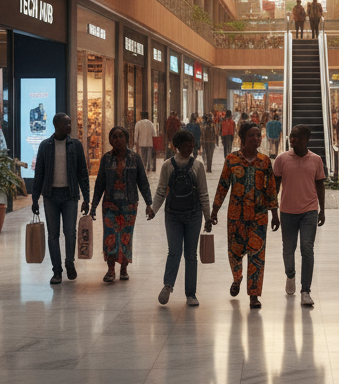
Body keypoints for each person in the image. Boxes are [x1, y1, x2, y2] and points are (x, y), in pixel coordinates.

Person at [212, 121, 279, 308]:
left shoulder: (265, 161)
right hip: (236, 215)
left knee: (257, 255)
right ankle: (237, 277)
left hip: (259, 216)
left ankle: (254, 295)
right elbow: (223, 186)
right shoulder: (232, 160)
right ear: (243, 138)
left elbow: (271, 189)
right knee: (235, 252)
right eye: (252, 135)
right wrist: (214, 210)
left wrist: (275, 213)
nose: (257, 139)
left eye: (258, 135)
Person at [148, 127, 212, 306]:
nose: (190, 148)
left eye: (191, 144)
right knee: (174, 252)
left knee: (191, 255)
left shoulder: (198, 166)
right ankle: (168, 286)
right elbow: (161, 190)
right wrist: (154, 209)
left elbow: (203, 193)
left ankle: (191, 293)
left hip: (194, 215)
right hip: (173, 216)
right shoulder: (167, 165)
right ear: (177, 146)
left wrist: (207, 217)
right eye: (186, 145)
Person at [31, 112, 90, 285]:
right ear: (56, 125)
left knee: (70, 233)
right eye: (67, 124)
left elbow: (83, 173)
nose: (70, 127)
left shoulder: (75, 145)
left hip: (70, 195)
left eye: (70, 123)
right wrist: (35, 199)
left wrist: (86, 197)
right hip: (50, 196)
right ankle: (57, 271)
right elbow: (39, 174)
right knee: (53, 235)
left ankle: (69, 262)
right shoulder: (45, 146)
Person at [91, 126, 153, 283]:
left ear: (127, 139)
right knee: (110, 236)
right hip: (110, 205)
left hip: (129, 204)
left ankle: (124, 268)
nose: (117, 139)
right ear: (110, 140)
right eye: (114, 137)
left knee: (126, 236)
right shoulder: (106, 159)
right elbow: (99, 183)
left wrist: (149, 203)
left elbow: (143, 182)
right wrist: (93, 206)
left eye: (120, 136)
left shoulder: (135, 158)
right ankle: (111, 270)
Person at [274, 123, 325, 307]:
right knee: (288, 249)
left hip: (309, 211)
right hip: (287, 211)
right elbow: (275, 185)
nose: (292, 139)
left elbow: (320, 185)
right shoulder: (281, 159)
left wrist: (322, 210)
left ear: (306, 140)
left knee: (307, 249)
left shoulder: (316, 160)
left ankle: (306, 290)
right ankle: (290, 275)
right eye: (291, 136)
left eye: (296, 136)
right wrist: (273, 211)